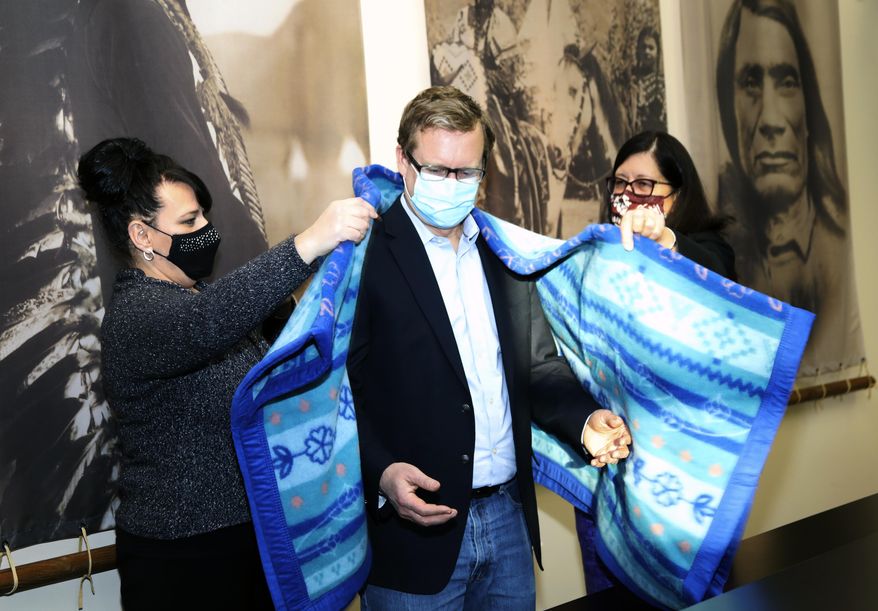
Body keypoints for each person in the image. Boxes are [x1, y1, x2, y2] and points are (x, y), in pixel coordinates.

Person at [347, 86, 632, 609]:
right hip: (413, 538)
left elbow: (537, 367)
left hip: (508, 521)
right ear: (403, 161)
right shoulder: (363, 257)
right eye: (437, 170)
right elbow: (340, 391)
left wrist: (587, 420)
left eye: (467, 173)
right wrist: (382, 472)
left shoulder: (506, 252)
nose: (452, 185)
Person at [76, 137, 377, 610]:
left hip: (248, 542)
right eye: (189, 221)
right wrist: (310, 242)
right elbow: (208, 323)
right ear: (142, 236)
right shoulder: (137, 316)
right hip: (182, 560)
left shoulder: (195, 296)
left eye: (203, 217)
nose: (206, 230)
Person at [581, 130, 736, 593]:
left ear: (678, 194)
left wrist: (665, 238)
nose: (629, 194)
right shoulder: (597, 255)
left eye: (645, 184)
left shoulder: (709, 247)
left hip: (685, 475)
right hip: (612, 470)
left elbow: (717, 276)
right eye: (620, 182)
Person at [715, 0, 862, 373]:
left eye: (787, 82)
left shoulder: (835, 253)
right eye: (751, 83)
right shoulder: (719, 265)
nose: (772, 120)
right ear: (728, 110)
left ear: (809, 108)